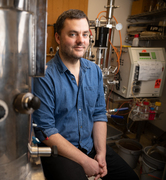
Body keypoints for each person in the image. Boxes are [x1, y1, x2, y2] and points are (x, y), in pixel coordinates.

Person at [32, 9, 139, 180]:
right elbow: (46, 130)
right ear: (58, 38)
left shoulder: (94, 71)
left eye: (85, 34)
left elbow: (98, 114)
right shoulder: (45, 77)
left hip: (91, 146)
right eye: (73, 34)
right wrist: (85, 161)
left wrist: (101, 154)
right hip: (61, 152)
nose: (81, 40)